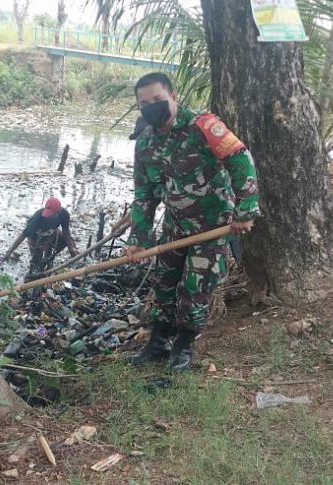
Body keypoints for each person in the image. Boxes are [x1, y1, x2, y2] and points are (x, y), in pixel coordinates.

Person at [125, 72, 260, 373]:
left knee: (194, 289)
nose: (151, 107)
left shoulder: (204, 127)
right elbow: (144, 194)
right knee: (163, 284)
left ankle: (183, 347)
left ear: (173, 98)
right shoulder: (145, 142)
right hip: (174, 228)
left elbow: (240, 160)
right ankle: (158, 342)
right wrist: (139, 239)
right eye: (144, 103)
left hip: (212, 228)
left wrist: (246, 208)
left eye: (157, 100)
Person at [1, 197, 79, 274]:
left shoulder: (64, 214)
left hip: (51, 233)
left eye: (50, 214)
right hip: (35, 237)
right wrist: (8, 253)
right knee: (37, 263)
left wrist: (71, 249)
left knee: (65, 241)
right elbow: (23, 236)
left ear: (58, 213)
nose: (47, 216)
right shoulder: (37, 219)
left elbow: (66, 231)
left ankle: (50, 256)